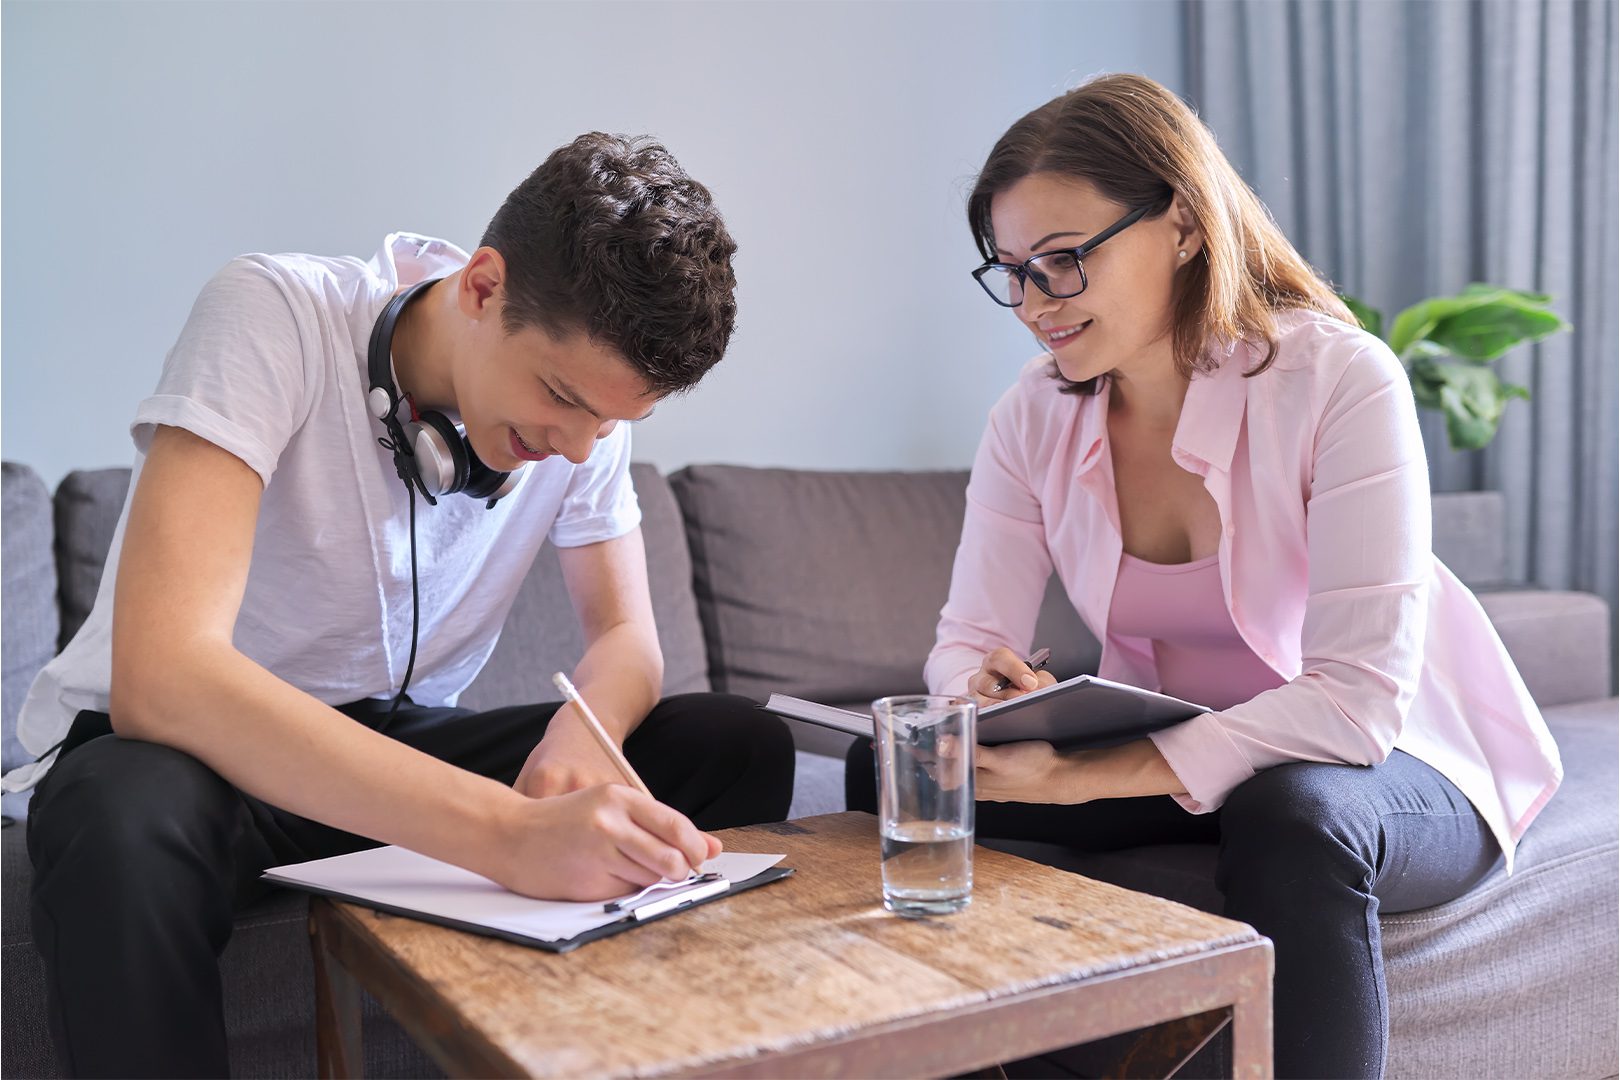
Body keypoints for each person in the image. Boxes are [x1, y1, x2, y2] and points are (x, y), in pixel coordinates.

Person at [13, 132, 795, 1078]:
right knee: (119, 819)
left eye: (614, 421)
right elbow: (165, 678)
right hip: (186, 755)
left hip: (382, 748)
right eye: (560, 398)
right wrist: (508, 836)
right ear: (480, 286)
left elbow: (628, 638)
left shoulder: (581, 427)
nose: (580, 448)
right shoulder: (273, 311)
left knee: (730, 742)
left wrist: (591, 731)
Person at [845, 74, 1562, 1078]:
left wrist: (1080, 777)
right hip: (1189, 744)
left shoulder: (1339, 381)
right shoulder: (1034, 415)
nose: (1033, 302)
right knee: (899, 770)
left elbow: (1354, 708)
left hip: (1394, 759)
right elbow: (966, 639)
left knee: (1292, 817)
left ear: (1180, 222)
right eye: (1011, 270)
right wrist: (979, 700)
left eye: (1064, 261)